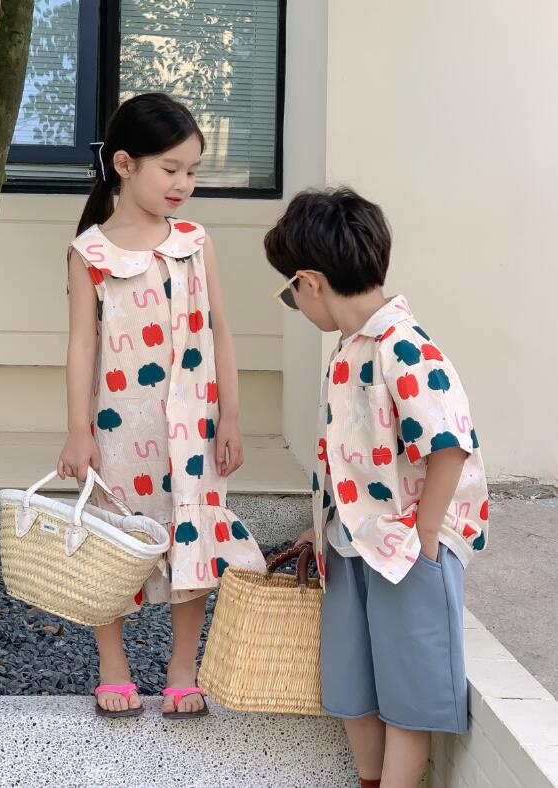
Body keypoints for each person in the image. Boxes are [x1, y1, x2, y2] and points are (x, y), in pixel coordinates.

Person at [264, 188, 488, 788]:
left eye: (290, 292)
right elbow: (351, 453)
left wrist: (427, 535)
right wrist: (320, 526)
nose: (295, 303)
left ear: (311, 282)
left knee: (410, 692)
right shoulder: (352, 348)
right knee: (351, 685)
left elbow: (448, 442)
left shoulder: (403, 346)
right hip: (352, 541)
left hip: (407, 547)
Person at [57, 93, 266, 720]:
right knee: (113, 539)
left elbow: (221, 331)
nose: (184, 184)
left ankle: (182, 668)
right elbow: (80, 345)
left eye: (192, 171)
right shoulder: (89, 253)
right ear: (125, 164)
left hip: (194, 426)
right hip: (119, 428)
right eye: (170, 169)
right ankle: (113, 666)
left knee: (192, 535)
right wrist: (77, 431)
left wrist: (231, 416)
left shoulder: (195, 242)